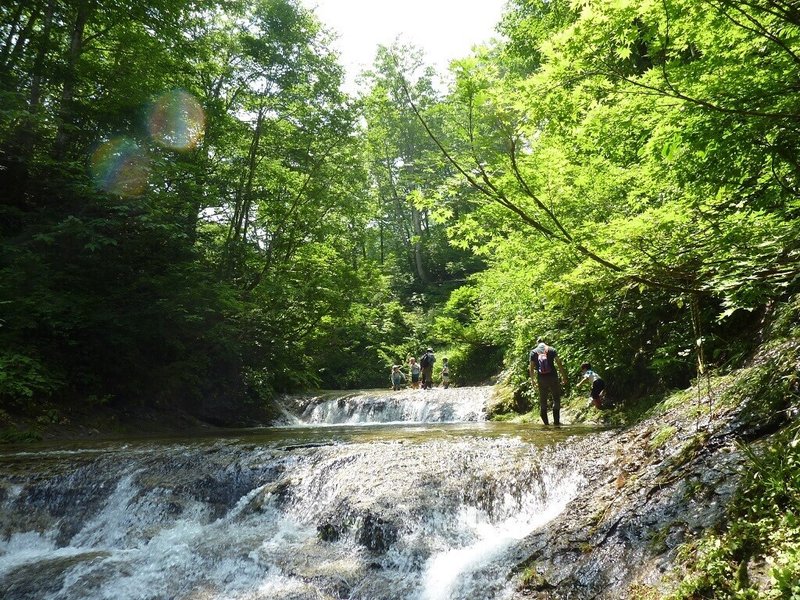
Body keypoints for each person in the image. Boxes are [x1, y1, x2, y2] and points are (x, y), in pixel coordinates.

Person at [529, 338, 568, 425]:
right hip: (553, 377)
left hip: (541, 379)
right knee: (556, 399)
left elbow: (531, 367)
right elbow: (559, 362)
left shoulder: (533, 352)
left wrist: (532, 380)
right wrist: (563, 376)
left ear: (537, 343)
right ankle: (556, 423)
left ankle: (546, 425)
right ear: (545, 342)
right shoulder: (551, 349)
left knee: (543, 401)